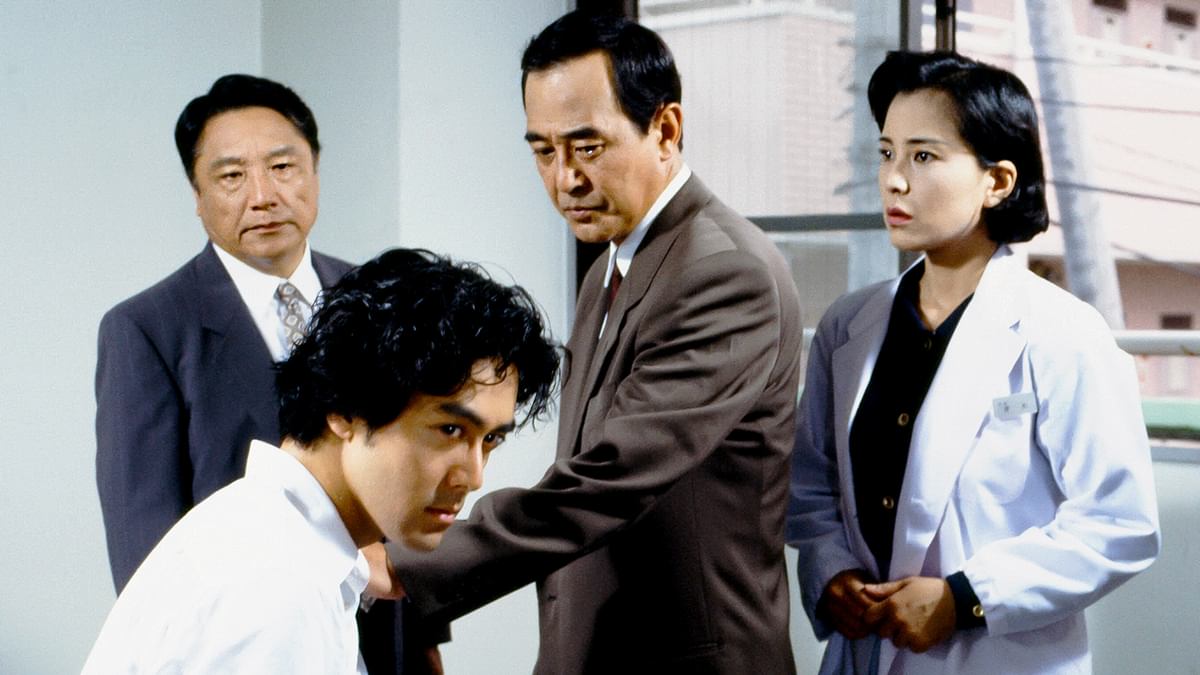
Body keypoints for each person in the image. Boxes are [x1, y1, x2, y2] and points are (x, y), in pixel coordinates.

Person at [387, 11, 803, 673]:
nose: (565, 179)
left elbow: (608, 480)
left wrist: (407, 565)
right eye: (543, 151)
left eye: (587, 147)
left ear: (665, 129)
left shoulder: (726, 272)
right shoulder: (611, 263)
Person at [787, 50, 1161, 674]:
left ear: (998, 181)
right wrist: (831, 571)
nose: (893, 180)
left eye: (923, 157)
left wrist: (965, 599)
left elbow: (1119, 521)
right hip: (865, 652)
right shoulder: (847, 326)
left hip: (1000, 656)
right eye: (886, 153)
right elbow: (812, 484)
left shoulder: (1063, 333)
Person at [83, 248, 560, 673]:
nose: (474, 476)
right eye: (450, 430)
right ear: (344, 409)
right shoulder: (276, 585)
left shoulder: (277, 539)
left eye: (490, 439)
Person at [93, 74, 423, 672]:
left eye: (282, 166)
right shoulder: (147, 329)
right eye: (231, 176)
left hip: (385, 638)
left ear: (315, 170)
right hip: (248, 646)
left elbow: (413, 479)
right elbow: (148, 554)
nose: (263, 195)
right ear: (197, 194)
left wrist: (426, 639)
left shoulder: (380, 297)